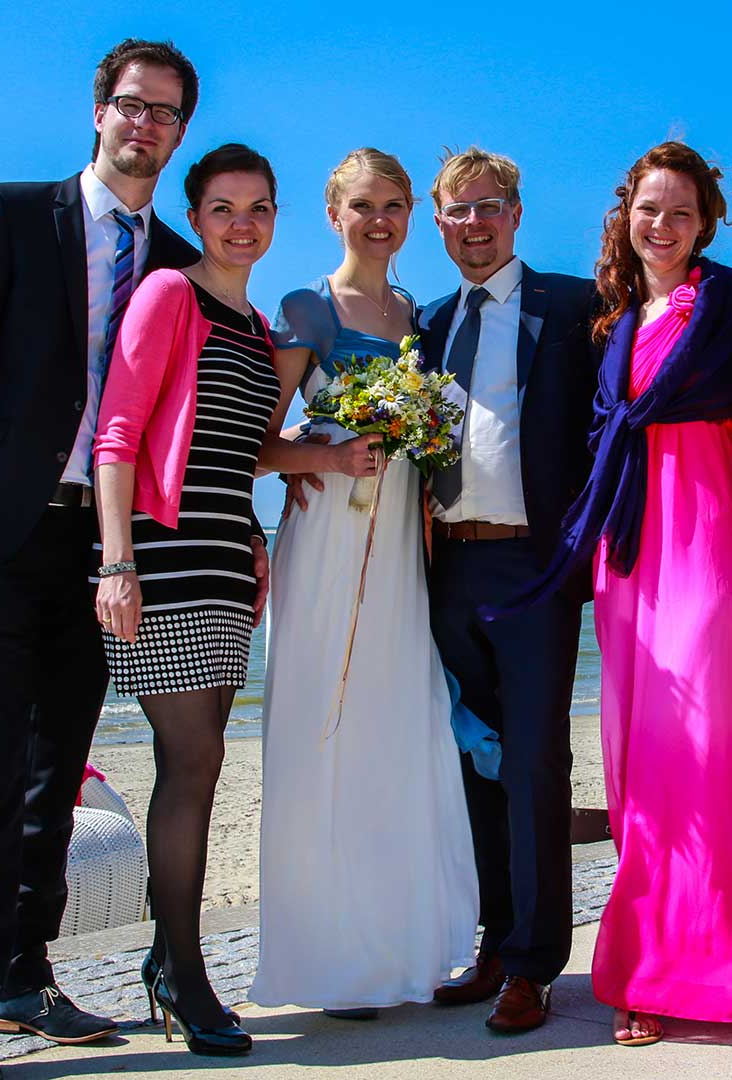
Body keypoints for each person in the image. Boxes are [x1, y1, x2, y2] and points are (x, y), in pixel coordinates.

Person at [0, 39, 202, 1078]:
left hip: (102, 547)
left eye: (165, 112)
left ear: (180, 131)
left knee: (57, 772)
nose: (145, 124)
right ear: (98, 110)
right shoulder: (12, 214)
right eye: (131, 104)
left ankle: (25, 976)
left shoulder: (176, 263)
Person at [498, 141, 732, 1046]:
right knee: (639, 756)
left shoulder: (727, 299)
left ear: (705, 225)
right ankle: (654, 962)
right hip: (628, 546)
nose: (662, 225)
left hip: (704, 526)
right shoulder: (614, 317)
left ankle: (731, 963)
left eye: (682, 212)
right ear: (625, 214)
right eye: (648, 208)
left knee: (706, 744)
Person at [251, 149, 478, 1021]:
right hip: (328, 543)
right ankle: (329, 962)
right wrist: (329, 457)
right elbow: (257, 444)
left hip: (400, 553)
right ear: (333, 212)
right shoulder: (306, 308)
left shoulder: (417, 316)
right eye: (362, 206)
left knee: (395, 732)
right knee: (325, 730)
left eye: (393, 205)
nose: (379, 221)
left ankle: (396, 947)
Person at [90, 144, 285, 1056]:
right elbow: (119, 430)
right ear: (195, 216)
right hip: (161, 560)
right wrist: (115, 563)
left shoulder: (255, 327)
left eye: (258, 208)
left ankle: (171, 960)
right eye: (221, 208)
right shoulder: (171, 292)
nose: (241, 225)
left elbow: (240, 451)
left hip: (224, 560)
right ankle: (182, 969)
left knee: (200, 765)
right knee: (193, 758)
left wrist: (262, 525)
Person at [416, 148, 599, 1035]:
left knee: (531, 766)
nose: (475, 224)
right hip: (448, 568)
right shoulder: (426, 322)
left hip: (535, 569)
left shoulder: (575, 306)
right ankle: (493, 942)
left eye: (489, 207)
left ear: (516, 214)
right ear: (439, 224)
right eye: (458, 211)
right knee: (471, 764)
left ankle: (533, 965)